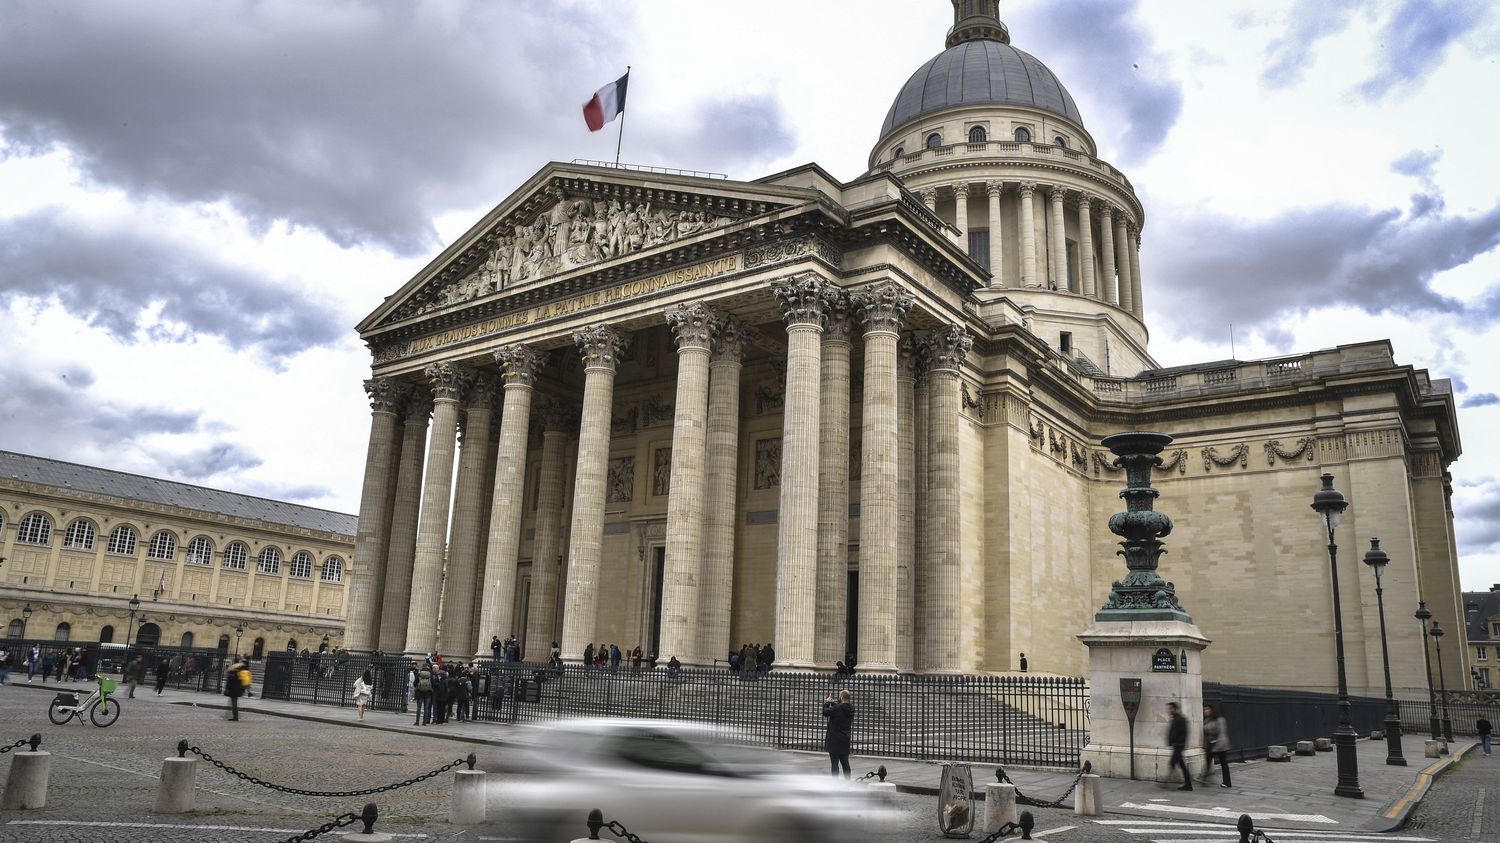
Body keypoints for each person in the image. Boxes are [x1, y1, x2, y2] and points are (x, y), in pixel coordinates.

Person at [823, 689, 855, 778]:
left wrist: (827, 702)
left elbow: (825, 712)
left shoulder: (837, 708)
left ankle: (835, 783)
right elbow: (840, 710)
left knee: (834, 763)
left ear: (841, 697)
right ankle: (847, 781)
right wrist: (833, 703)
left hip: (834, 740)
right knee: (845, 762)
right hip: (845, 739)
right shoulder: (851, 709)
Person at [1201, 704, 1231, 787]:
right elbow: (1205, 734)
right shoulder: (1207, 720)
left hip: (1220, 745)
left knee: (1223, 764)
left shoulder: (1220, 719)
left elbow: (1222, 733)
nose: (1205, 711)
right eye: (1204, 710)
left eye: (1207, 709)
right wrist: (1204, 745)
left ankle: (1227, 782)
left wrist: (1219, 746)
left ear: (1212, 710)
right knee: (1207, 762)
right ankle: (1204, 779)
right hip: (1210, 745)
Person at [1166, 702, 1192, 791]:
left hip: (1179, 745)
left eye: (1171, 709)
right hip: (1176, 745)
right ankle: (1188, 784)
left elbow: (1184, 733)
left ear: (1175, 709)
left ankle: (1166, 781)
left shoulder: (1181, 719)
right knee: (1180, 764)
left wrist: (1180, 743)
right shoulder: (1175, 718)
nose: (1169, 711)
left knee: (1174, 763)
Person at [412, 661, 434, 726]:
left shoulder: (419, 674)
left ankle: (417, 722)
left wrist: (417, 688)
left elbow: (414, 683)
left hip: (419, 693)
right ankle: (424, 722)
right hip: (428, 693)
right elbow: (433, 684)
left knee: (419, 708)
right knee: (426, 708)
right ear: (428, 667)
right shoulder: (430, 674)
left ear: (422, 667)